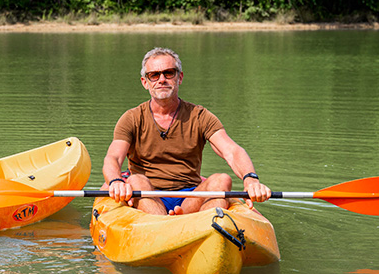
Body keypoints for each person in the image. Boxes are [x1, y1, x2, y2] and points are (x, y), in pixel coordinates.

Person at [103, 47, 271, 215]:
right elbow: (114, 157)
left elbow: (231, 151)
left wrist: (251, 179)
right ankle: (165, 223)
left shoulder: (200, 116)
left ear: (180, 77)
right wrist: (116, 181)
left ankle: (192, 224)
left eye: (169, 73)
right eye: (154, 75)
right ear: (145, 82)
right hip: (147, 193)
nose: (161, 79)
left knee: (222, 180)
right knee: (135, 180)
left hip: (190, 197)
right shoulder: (131, 118)